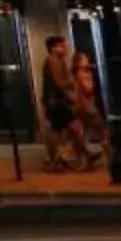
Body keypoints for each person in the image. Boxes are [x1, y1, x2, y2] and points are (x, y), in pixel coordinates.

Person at [38, 39, 75, 170]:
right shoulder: (53, 61)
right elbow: (59, 82)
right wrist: (69, 92)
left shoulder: (57, 61)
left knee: (64, 129)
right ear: (53, 48)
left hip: (57, 101)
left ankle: (60, 158)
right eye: (61, 46)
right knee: (59, 129)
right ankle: (55, 159)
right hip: (57, 101)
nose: (65, 49)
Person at [69, 50, 107, 169]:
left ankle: (87, 160)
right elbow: (88, 89)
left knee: (82, 134)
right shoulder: (81, 74)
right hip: (86, 108)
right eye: (84, 59)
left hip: (82, 107)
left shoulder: (75, 74)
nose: (87, 61)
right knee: (99, 132)